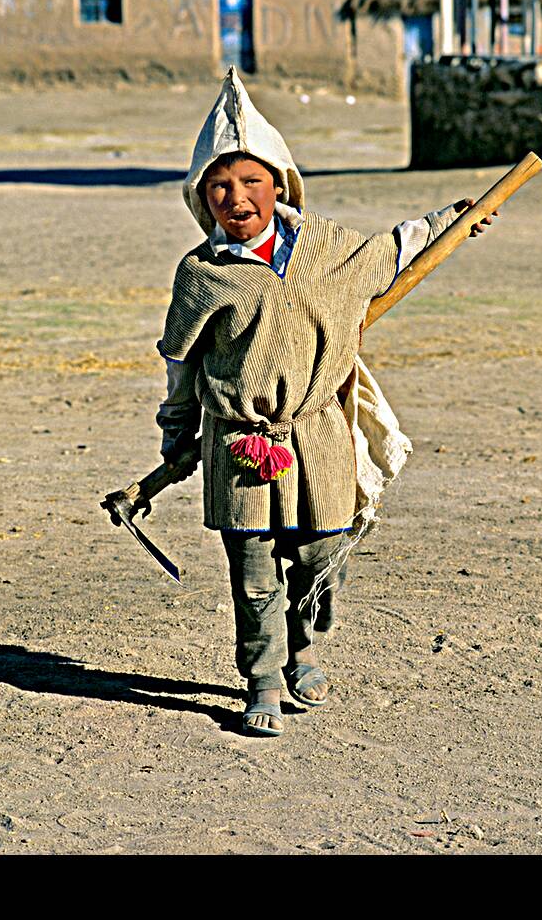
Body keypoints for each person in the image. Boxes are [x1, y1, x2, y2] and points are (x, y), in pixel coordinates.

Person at [155, 67, 494, 737]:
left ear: (278, 184)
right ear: (204, 197)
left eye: (250, 180)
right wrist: (177, 435)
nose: (237, 197)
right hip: (238, 440)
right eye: (220, 185)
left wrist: (458, 220)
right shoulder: (201, 274)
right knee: (252, 574)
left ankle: (305, 652)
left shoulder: (331, 249)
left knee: (320, 557)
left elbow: (398, 247)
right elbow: (180, 366)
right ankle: (261, 682)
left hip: (318, 436)